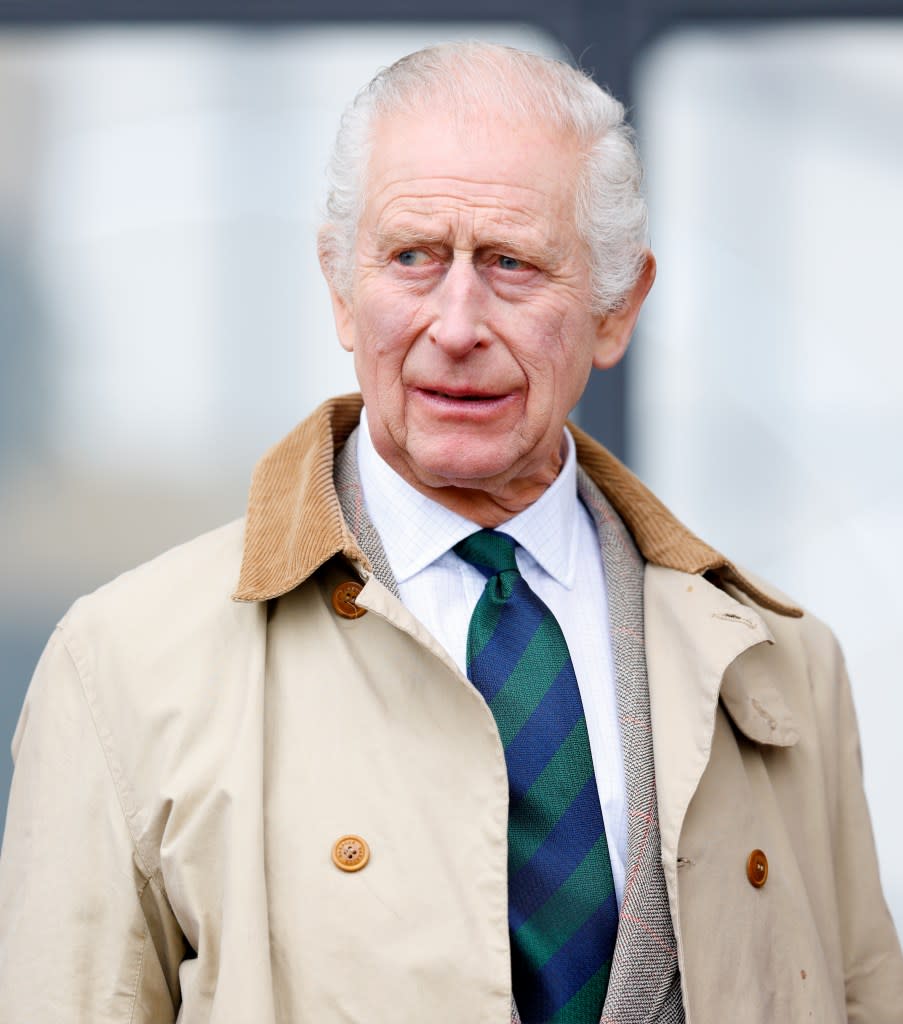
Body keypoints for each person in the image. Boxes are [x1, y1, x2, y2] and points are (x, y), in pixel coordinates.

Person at [0, 41, 901, 1024]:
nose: (457, 322)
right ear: (342, 290)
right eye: (413, 257)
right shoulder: (123, 667)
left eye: (512, 263)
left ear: (616, 309)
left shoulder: (784, 670)